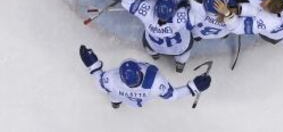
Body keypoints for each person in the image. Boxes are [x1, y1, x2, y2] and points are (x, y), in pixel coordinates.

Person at [79, 45, 211, 108]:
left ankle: (115, 104)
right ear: (139, 72)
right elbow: (172, 96)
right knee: (116, 94)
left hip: (122, 96)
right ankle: (116, 103)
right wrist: (193, 88)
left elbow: (100, 85)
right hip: (140, 102)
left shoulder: (110, 79)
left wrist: (93, 65)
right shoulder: (156, 83)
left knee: (114, 95)